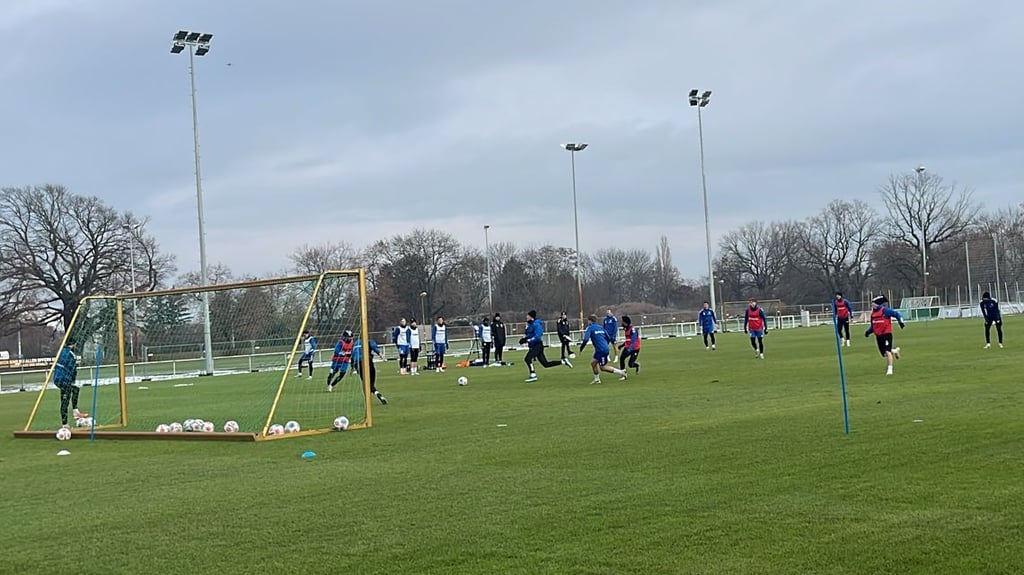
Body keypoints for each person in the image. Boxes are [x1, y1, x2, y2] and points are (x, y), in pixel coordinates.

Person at [520, 310, 572, 382]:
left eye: (528, 315)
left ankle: (533, 375)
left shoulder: (536, 324)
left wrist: (528, 340)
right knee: (546, 364)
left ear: (531, 317)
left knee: (527, 359)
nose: (526, 317)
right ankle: (563, 362)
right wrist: (524, 339)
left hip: (537, 346)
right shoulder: (529, 324)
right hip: (534, 346)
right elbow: (529, 333)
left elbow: (538, 336)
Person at [580, 314, 629, 384]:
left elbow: (585, 339)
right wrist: (604, 344)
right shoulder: (601, 327)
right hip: (601, 349)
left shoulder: (590, 328)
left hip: (601, 350)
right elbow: (608, 337)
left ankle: (622, 372)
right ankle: (597, 380)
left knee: (603, 367)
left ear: (589, 321)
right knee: (593, 363)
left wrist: (581, 348)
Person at [865, 295, 905, 375]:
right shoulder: (873, 314)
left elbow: (897, 314)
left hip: (887, 334)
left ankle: (890, 369)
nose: (872, 305)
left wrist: (901, 322)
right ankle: (895, 351)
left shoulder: (886, 311)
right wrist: (868, 332)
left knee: (887, 351)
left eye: (874, 304)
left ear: (878, 304)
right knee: (884, 354)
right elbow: (873, 326)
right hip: (878, 336)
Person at [54, 340, 88, 428]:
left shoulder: (61, 351)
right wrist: (73, 380)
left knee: (74, 390)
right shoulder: (71, 355)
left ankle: (74, 413)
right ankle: (66, 423)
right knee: (66, 399)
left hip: (58, 378)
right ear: (74, 344)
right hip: (64, 379)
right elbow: (73, 369)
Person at [352, 336, 388, 405]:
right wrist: (381, 356)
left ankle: (370, 398)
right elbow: (374, 347)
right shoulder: (368, 341)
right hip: (368, 362)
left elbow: (353, 356)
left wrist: (353, 367)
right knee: (371, 384)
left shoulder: (356, 343)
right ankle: (377, 394)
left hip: (358, 364)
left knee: (366, 384)